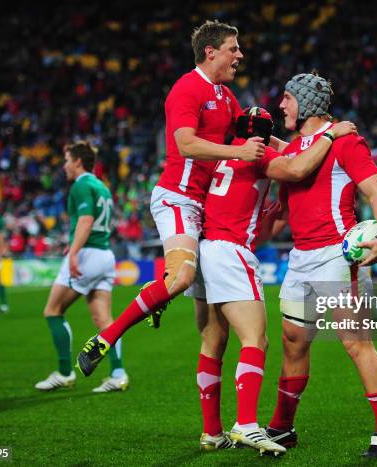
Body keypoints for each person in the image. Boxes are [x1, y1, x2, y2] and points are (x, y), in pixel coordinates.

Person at [76, 20, 264, 376]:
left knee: (214, 332)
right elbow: (186, 144)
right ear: (211, 52)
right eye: (233, 48)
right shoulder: (187, 89)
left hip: (206, 208)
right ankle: (107, 337)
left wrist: (313, 144)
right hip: (179, 198)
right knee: (179, 280)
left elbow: (255, 138)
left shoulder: (226, 95)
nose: (240, 55)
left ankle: (213, 432)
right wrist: (238, 154)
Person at [187, 107, 356, 454]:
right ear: (263, 137)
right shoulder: (258, 156)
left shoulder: (218, 156)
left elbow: (259, 223)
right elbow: (296, 167)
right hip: (231, 250)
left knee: (212, 342)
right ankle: (247, 424)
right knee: (256, 340)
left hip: (203, 249)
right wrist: (329, 134)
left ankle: (211, 432)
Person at [262, 73, 377, 458]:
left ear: (306, 103)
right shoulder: (296, 147)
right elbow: (284, 207)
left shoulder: (345, 141)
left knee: (355, 344)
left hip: (336, 258)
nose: (282, 106)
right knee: (293, 344)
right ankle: (282, 428)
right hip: (300, 259)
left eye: (288, 98)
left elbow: (376, 189)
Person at [35, 142, 129, 393]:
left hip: (87, 254)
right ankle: (118, 373)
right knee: (104, 320)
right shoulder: (102, 186)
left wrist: (73, 252)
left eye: (67, 160)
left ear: (77, 161)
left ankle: (65, 373)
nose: (64, 165)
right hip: (105, 254)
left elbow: (86, 220)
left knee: (53, 310)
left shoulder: (81, 185)